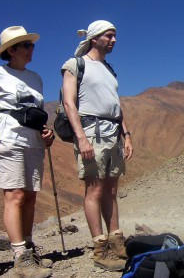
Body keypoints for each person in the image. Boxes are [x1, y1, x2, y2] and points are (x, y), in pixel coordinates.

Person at [61, 20, 133, 271]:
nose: (113, 40)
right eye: (109, 36)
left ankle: (116, 239)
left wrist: (127, 134)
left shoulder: (108, 68)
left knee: (111, 189)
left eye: (115, 36)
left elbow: (116, 104)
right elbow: (70, 103)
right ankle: (100, 246)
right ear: (94, 38)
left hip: (112, 132)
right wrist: (80, 137)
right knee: (94, 189)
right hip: (91, 131)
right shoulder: (75, 64)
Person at [0, 26, 55, 277]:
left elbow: (37, 111)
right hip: (9, 138)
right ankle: (20, 258)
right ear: (11, 50)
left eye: (31, 44)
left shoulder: (36, 78)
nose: (32, 49)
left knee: (30, 196)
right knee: (15, 195)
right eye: (26, 45)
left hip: (34, 141)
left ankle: (29, 249)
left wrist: (46, 131)